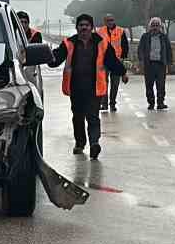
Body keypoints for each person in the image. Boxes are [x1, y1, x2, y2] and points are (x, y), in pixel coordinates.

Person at [47, 13, 120, 159]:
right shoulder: (69, 43)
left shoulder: (102, 43)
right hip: (76, 87)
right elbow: (56, 58)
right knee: (78, 117)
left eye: (87, 25)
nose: (84, 28)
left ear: (92, 27)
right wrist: (48, 57)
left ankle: (94, 144)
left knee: (93, 116)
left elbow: (112, 60)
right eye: (81, 25)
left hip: (94, 88)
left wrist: (122, 72)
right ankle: (80, 143)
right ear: (77, 28)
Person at [96, 14, 130, 112]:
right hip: (104, 61)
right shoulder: (99, 32)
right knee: (104, 83)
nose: (110, 22)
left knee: (115, 84)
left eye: (112, 20)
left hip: (117, 61)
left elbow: (125, 46)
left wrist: (123, 60)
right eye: (108, 20)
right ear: (104, 21)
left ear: (114, 20)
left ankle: (112, 104)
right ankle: (104, 104)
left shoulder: (120, 31)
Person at [138, 16, 172, 110]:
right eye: (153, 25)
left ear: (160, 26)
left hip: (161, 64)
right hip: (149, 64)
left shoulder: (164, 37)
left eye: (157, 25)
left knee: (161, 85)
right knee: (149, 85)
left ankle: (160, 103)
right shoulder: (145, 36)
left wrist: (169, 63)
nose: (155, 27)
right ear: (150, 26)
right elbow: (140, 49)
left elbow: (169, 50)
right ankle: (151, 103)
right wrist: (141, 61)